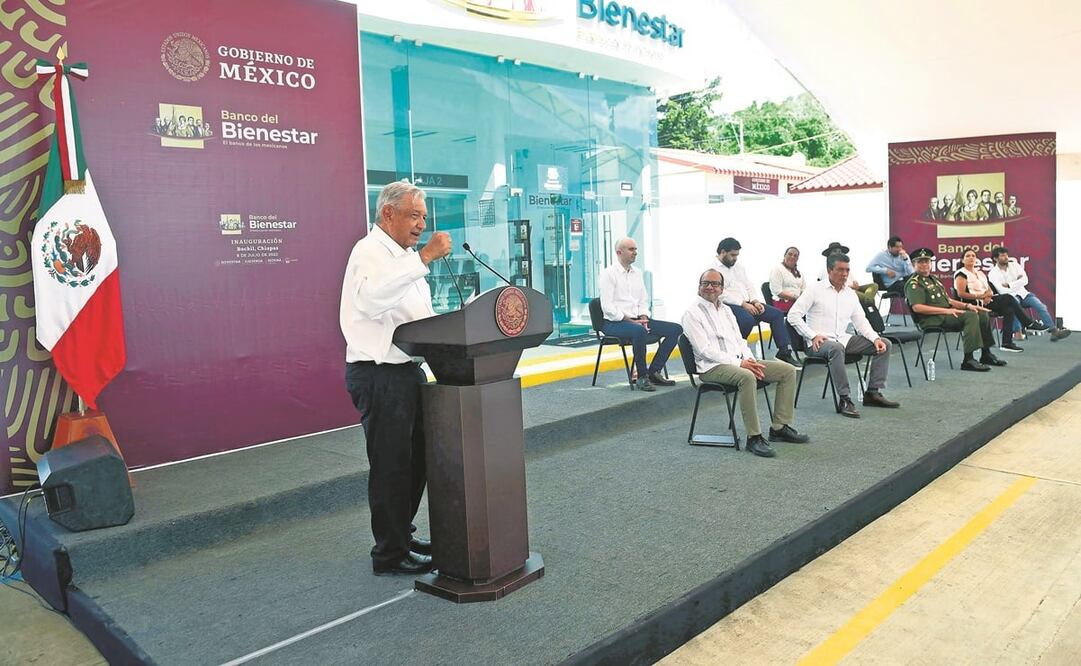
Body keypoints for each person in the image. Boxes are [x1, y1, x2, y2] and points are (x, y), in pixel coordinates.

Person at [340, 180, 451, 576]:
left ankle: (400, 534)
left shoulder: (404, 257)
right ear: (388, 213)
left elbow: (419, 319)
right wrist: (422, 259)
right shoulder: (369, 251)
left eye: (424, 216)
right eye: (414, 215)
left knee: (418, 459)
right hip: (380, 374)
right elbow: (371, 301)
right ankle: (388, 553)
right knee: (391, 465)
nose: (422, 223)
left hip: (408, 372)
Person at [682, 269, 808, 458]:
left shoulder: (726, 310)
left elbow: (740, 340)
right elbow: (704, 350)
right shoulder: (691, 313)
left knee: (788, 371)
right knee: (747, 377)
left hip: (739, 362)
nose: (709, 287)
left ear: (722, 288)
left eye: (715, 284)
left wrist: (749, 359)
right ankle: (754, 437)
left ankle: (779, 428)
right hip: (711, 367)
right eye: (705, 283)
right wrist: (740, 364)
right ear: (698, 287)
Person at [788, 253, 899, 418]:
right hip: (817, 343)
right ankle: (845, 398)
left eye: (847, 270)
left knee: (885, 344)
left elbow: (860, 322)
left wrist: (875, 338)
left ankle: (873, 392)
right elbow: (793, 316)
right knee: (836, 348)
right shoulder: (814, 290)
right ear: (829, 270)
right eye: (840, 270)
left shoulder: (850, 294)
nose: (845, 274)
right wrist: (812, 335)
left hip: (843, 339)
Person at [599, 237, 682, 392]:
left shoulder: (637, 273)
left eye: (635, 249)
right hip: (614, 322)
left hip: (638, 320)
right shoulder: (608, 274)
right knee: (639, 331)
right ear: (619, 252)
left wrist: (644, 315)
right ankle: (641, 376)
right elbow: (607, 307)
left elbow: (643, 299)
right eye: (631, 249)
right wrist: (629, 319)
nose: (635, 253)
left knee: (676, 329)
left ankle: (653, 372)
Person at [904, 248, 1005, 372]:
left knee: (981, 313)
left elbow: (949, 301)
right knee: (970, 317)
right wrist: (947, 311)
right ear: (914, 265)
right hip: (931, 319)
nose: (924, 264)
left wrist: (968, 306)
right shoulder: (914, 283)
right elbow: (917, 307)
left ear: (931, 264)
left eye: (927, 261)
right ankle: (968, 360)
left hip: (945, 315)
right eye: (920, 262)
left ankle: (986, 354)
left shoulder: (934, 279)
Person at [712, 237, 801, 367]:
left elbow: (748, 285)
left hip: (748, 302)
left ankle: (784, 352)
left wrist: (755, 301)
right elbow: (720, 293)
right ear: (723, 252)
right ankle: (736, 352)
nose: (735, 258)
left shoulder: (738, 266)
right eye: (732, 255)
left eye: (737, 255)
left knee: (776, 314)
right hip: (729, 306)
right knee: (747, 320)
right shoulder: (713, 269)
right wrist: (743, 304)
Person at [953, 249, 1045, 353]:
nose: (971, 258)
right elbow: (960, 294)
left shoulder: (980, 273)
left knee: (1009, 309)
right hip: (973, 304)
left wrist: (987, 296)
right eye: (968, 256)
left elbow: (989, 290)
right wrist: (980, 296)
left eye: (973, 256)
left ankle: (1007, 343)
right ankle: (1028, 324)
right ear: (962, 260)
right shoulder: (961, 274)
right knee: (1008, 298)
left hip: (986, 301)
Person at [987, 246, 1071, 341]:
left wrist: (1010, 285)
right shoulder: (993, 273)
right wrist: (1017, 282)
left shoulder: (1014, 265)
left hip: (1023, 293)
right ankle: (1018, 333)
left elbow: (1025, 280)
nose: (1006, 257)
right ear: (995, 258)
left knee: (1040, 306)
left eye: (1006, 255)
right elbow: (1001, 290)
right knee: (1013, 304)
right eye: (1002, 256)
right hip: (1010, 297)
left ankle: (1054, 331)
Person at [818, 241, 878, 307]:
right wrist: (852, 287)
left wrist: (855, 285)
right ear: (829, 255)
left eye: (840, 251)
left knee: (874, 286)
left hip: (853, 289)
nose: (838, 253)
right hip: (844, 291)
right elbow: (831, 287)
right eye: (835, 251)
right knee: (869, 300)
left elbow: (854, 281)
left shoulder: (845, 267)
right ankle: (867, 303)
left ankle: (867, 301)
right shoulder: (826, 270)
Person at [768, 246, 805, 313]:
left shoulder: (800, 273)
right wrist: (795, 297)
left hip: (797, 302)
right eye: (790, 254)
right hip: (782, 302)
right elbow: (778, 292)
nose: (792, 257)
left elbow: (803, 290)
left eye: (795, 256)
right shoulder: (777, 269)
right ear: (785, 255)